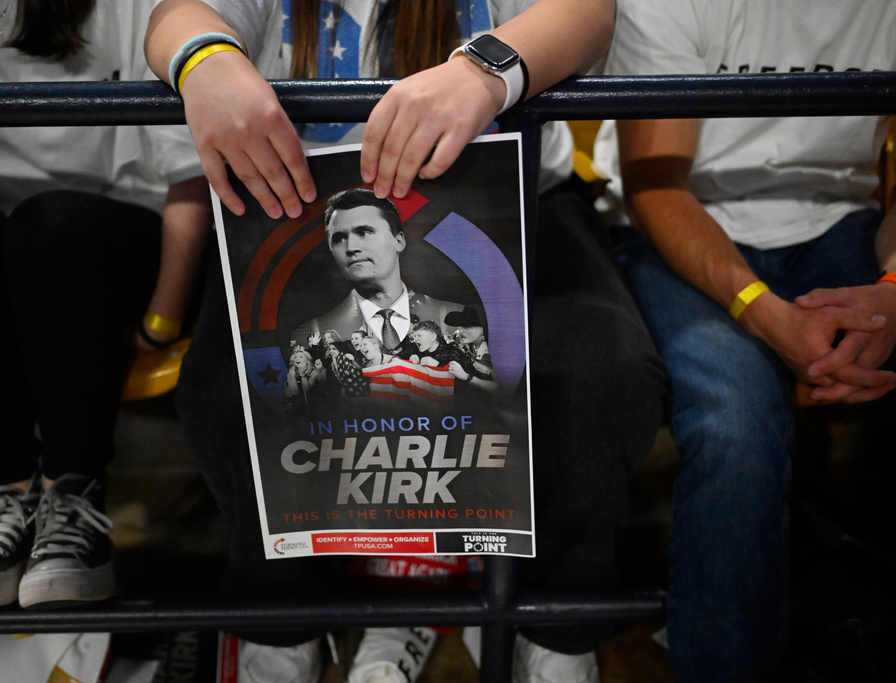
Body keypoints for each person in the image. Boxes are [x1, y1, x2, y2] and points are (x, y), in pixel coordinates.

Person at [147, 1, 667, 681]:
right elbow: (175, 17)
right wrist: (206, 61)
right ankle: (287, 604)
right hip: (302, 211)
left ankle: (552, 617)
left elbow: (588, 12)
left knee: (602, 372)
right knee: (228, 388)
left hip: (515, 198)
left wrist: (485, 71)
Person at [593, 0, 896, 679]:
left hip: (841, 225)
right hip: (680, 226)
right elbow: (656, 188)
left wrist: (894, 289)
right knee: (736, 424)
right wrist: (767, 315)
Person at [0, 0, 210, 609]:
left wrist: (162, 319)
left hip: (110, 245)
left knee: (49, 225)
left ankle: (74, 504)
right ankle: (2, 500)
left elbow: (191, 173)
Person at [290, 188, 465, 358]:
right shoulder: (311, 334)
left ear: (398, 240)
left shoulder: (457, 317)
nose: (351, 248)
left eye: (364, 232)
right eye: (339, 239)